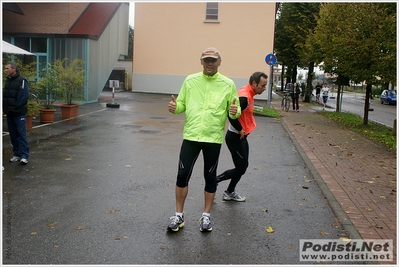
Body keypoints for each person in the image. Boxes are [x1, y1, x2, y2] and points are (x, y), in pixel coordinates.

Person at [167, 47, 241, 232]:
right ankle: (178, 216)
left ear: (219, 62)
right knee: (182, 175)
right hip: (191, 136)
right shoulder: (190, 80)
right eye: (206, 60)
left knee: (210, 177)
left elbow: (235, 107)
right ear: (201, 61)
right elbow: (182, 103)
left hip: (212, 138)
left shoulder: (228, 84)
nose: (209, 63)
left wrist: (235, 111)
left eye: (213, 60)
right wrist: (175, 107)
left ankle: (206, 217)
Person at [216, 72, 268, 202]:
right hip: (235, 137)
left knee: (243, 166)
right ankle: (215, 181)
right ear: (254, 83)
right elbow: (231, 113)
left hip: (241, 137)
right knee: (241, 168)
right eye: (263, 85)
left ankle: (229, 192)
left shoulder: (249, 93)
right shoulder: (244, 97)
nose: (264, 88)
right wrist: (239, 129)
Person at [3, 62, 30, 165]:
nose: (5, 70)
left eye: (7, 68)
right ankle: (17, 154)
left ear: (14, 69)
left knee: (21, 134)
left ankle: (24, 155)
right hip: (10, 113)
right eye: (5, 68)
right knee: (13, 135)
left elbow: (24, 96)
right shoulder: (7, 81)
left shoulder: (22, 81)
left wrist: (16, 107)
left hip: (19, 113)